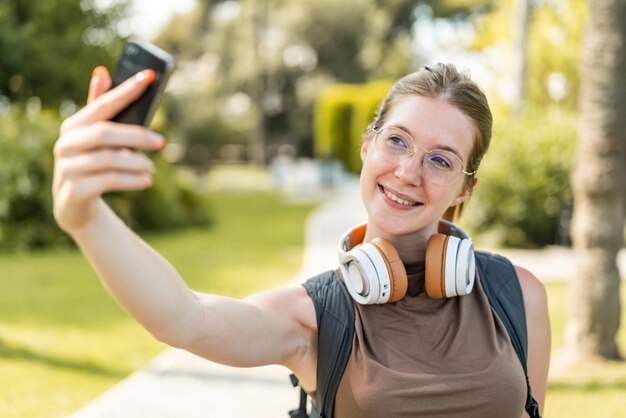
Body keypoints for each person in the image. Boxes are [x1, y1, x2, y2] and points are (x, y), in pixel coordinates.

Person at [52, 63, 550, 417]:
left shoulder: (516, 295)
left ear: (465, 188)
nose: (407, 171)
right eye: (397, 140)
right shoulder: (318, 314)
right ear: (366, 145)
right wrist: (85, 217)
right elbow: (187, 319)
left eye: (440, 160)